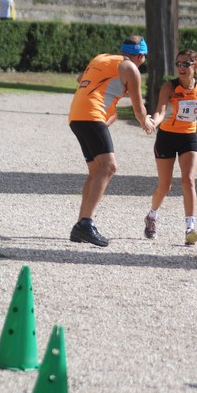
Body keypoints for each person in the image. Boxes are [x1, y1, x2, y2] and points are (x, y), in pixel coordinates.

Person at [68, 35, 156, 247]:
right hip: (92, 115)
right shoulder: (131, 69)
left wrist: (110, 106)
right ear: (141, 56)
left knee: (96, 170)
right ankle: (86, 224)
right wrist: (147, 122)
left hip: (76, 116)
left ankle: (80, 224)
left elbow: (81, 80)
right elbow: (138, 108)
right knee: (109, 167)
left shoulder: (102, 58)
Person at [144, 49, 197, 246]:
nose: (181, 68)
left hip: (189, 138)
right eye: (178, 64)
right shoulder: (169, 87)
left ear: (195, 65)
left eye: (186, 64)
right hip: (167, 137)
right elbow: (160, 110)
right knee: (164, 186)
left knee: (188, 180)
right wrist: (154, 123)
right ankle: (152, 216)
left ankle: (190, 228)